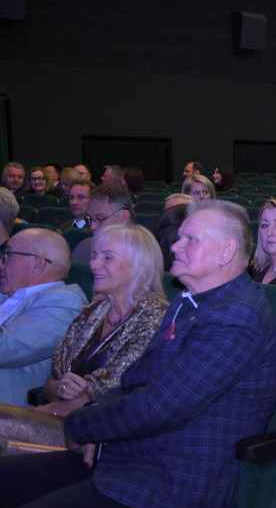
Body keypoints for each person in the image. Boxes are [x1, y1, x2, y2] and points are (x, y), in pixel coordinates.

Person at [0, 200, 276, 508]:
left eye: (192, 239)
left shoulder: (235, 317)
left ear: (226, 252)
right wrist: (100, 426)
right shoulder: (191, 302)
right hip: (137, 457)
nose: (176, 247)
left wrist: (81, 425)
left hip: (181, 480)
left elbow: (161, 407)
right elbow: (134, 383)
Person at [0, 225, 168, 450]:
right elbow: (51, 382)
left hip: (100, 435)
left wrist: (50, 409)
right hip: (58, 420)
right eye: (95, 256)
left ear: (139, 265)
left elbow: (115, 393)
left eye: (107, 257)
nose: (94, 264)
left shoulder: (155, 318)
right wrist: (60, 389)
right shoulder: (92, 313)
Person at [0, 228, 87, 408]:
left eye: (7, 255)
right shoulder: (9, 295)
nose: (2, 264)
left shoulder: (66, 302)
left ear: (38, 264)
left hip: (11, 414)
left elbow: (6, 348)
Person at [70, 183, 135, 263]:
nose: (92, 227)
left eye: (100, 219)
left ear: (124, 217)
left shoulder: (144, 256)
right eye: (91, 219)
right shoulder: (83, 249)